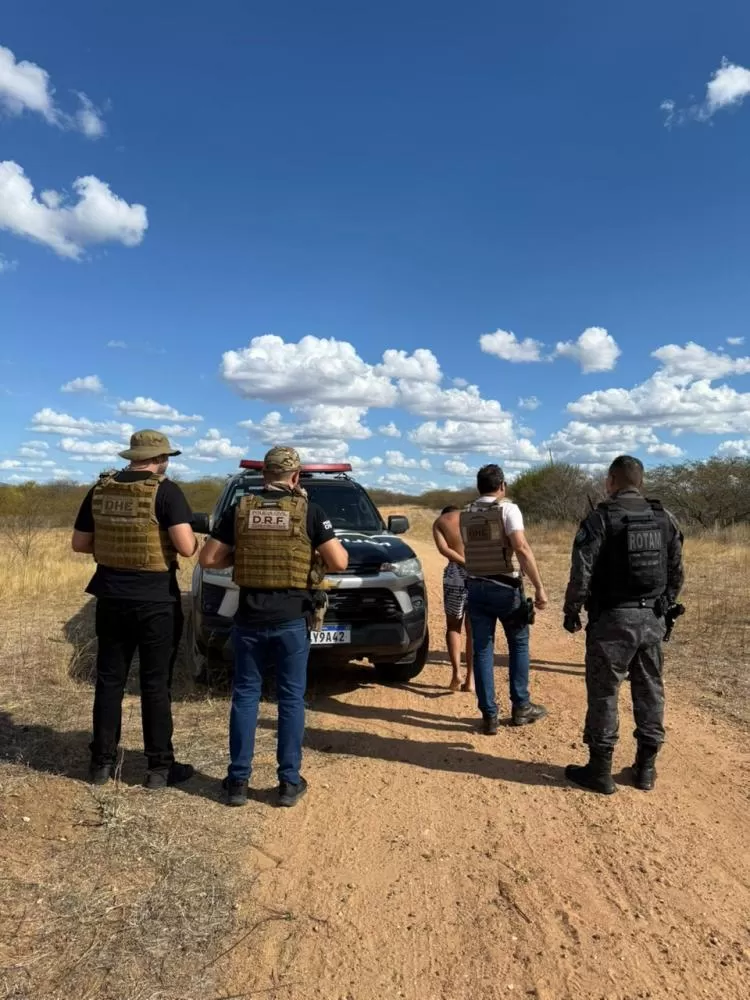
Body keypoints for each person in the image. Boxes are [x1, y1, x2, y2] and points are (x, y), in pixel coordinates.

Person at [199, 446, 348, 809]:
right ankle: (288, 783)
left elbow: (209, 558)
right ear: (296, 477)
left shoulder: (241, 510)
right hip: (290, 620)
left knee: (246, 697)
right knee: (291, 700)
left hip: (249, 617)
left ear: (263, 475)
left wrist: (245, 553)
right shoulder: (309, 510)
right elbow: (339, 562)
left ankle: (237, 782)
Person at [71, 430, 198, 789]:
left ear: (132, 456)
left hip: (110, 597)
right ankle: (159, 768)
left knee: (109, 681)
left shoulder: (100, 488)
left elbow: (80, 543)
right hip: (156, 601)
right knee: (155, 684)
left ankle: (101, 764)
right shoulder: (166, 491)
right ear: (161, 458)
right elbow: (187, 548)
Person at [562, 455, 684, 795]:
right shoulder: (665, 518)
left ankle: (599, 772)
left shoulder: (600, 518)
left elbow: (581, 572)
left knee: (604, 694)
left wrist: (572, 611)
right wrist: (664, 606)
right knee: (650, 692)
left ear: (611, 481)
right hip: (652, 621)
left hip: (611, 621)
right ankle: (645, 770)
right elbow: (677, 573)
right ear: (640, 482)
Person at [461, 465, 549, 734]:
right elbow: (520, 547)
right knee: (519, 645)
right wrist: (540, 588)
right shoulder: (507, 509)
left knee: (483, 650)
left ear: (479, 486)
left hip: (475, 587)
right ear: (502, 485)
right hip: (506, 588)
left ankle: (489, 715)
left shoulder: (466, 513)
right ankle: (521, 706)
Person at [432, 505, 473, 692]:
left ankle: (456, 673)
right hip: (478, 574)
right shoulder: (473, 517)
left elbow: (444, 549)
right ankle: (470, 680)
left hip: (455, 575)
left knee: (453, 626)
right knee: (473, 629)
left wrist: (462, 562)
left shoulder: (440, 522)